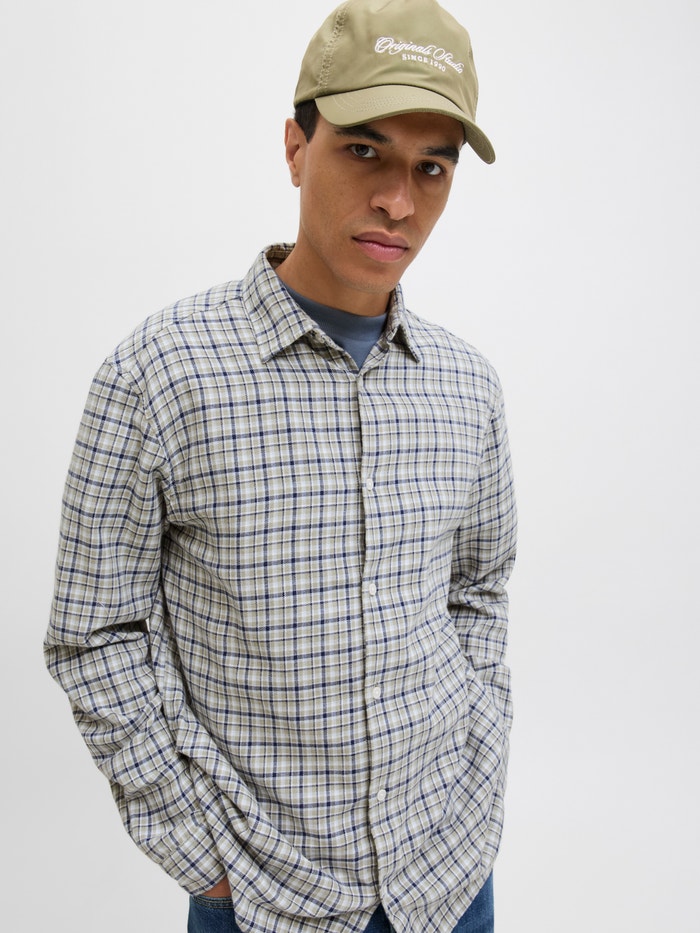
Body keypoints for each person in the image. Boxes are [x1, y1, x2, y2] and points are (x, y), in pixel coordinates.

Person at [44, 1, 517, 931]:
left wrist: (478, 772)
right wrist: (204, 856)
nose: (398, 202)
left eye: (432, 167)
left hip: (449, 877)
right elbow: (94, 634)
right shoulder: (158, 373)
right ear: (296, 148)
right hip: (264, 896)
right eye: (365, 151)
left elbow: (479, 591)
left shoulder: (469, 384)